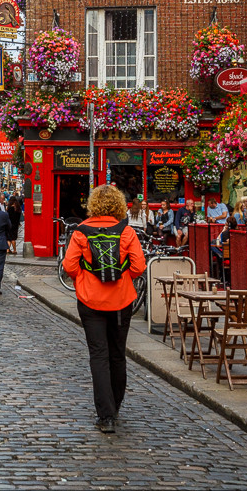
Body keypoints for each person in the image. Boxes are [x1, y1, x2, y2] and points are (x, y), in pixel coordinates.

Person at [62, 184, 147, 434]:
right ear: (119, 205)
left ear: (93, 205)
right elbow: (139, 267)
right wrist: (122, 279)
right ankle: (115, 406)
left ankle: (106, 415)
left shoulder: (81, 231)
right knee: (117, 355)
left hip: (91, 301)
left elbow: (69, 266)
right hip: (121, 300)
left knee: (99, 355)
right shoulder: (126, 231)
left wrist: (84, 280)